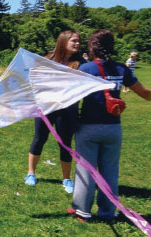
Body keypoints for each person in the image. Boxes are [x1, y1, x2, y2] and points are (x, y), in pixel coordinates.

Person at [71, 29, 151, 221]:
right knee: (110, 171)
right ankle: (108, 212)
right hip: (113, 128)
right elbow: (145, 93)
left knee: (86, 169)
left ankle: (83, 211)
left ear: (92, 47)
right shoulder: (122, 69)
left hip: (88, 127)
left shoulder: (86, 69)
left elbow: (70, 97)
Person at [24, 30, 84, 194]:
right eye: (74, 41)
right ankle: (31, 173)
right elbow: (34, 78)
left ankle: (67, 179)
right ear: (63, 41)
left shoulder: (81, 63)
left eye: (78, 41)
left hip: (68, 109)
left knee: (65, 143)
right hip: (46, 107)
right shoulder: (48, 58)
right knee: (39, 139)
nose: (77, 44)